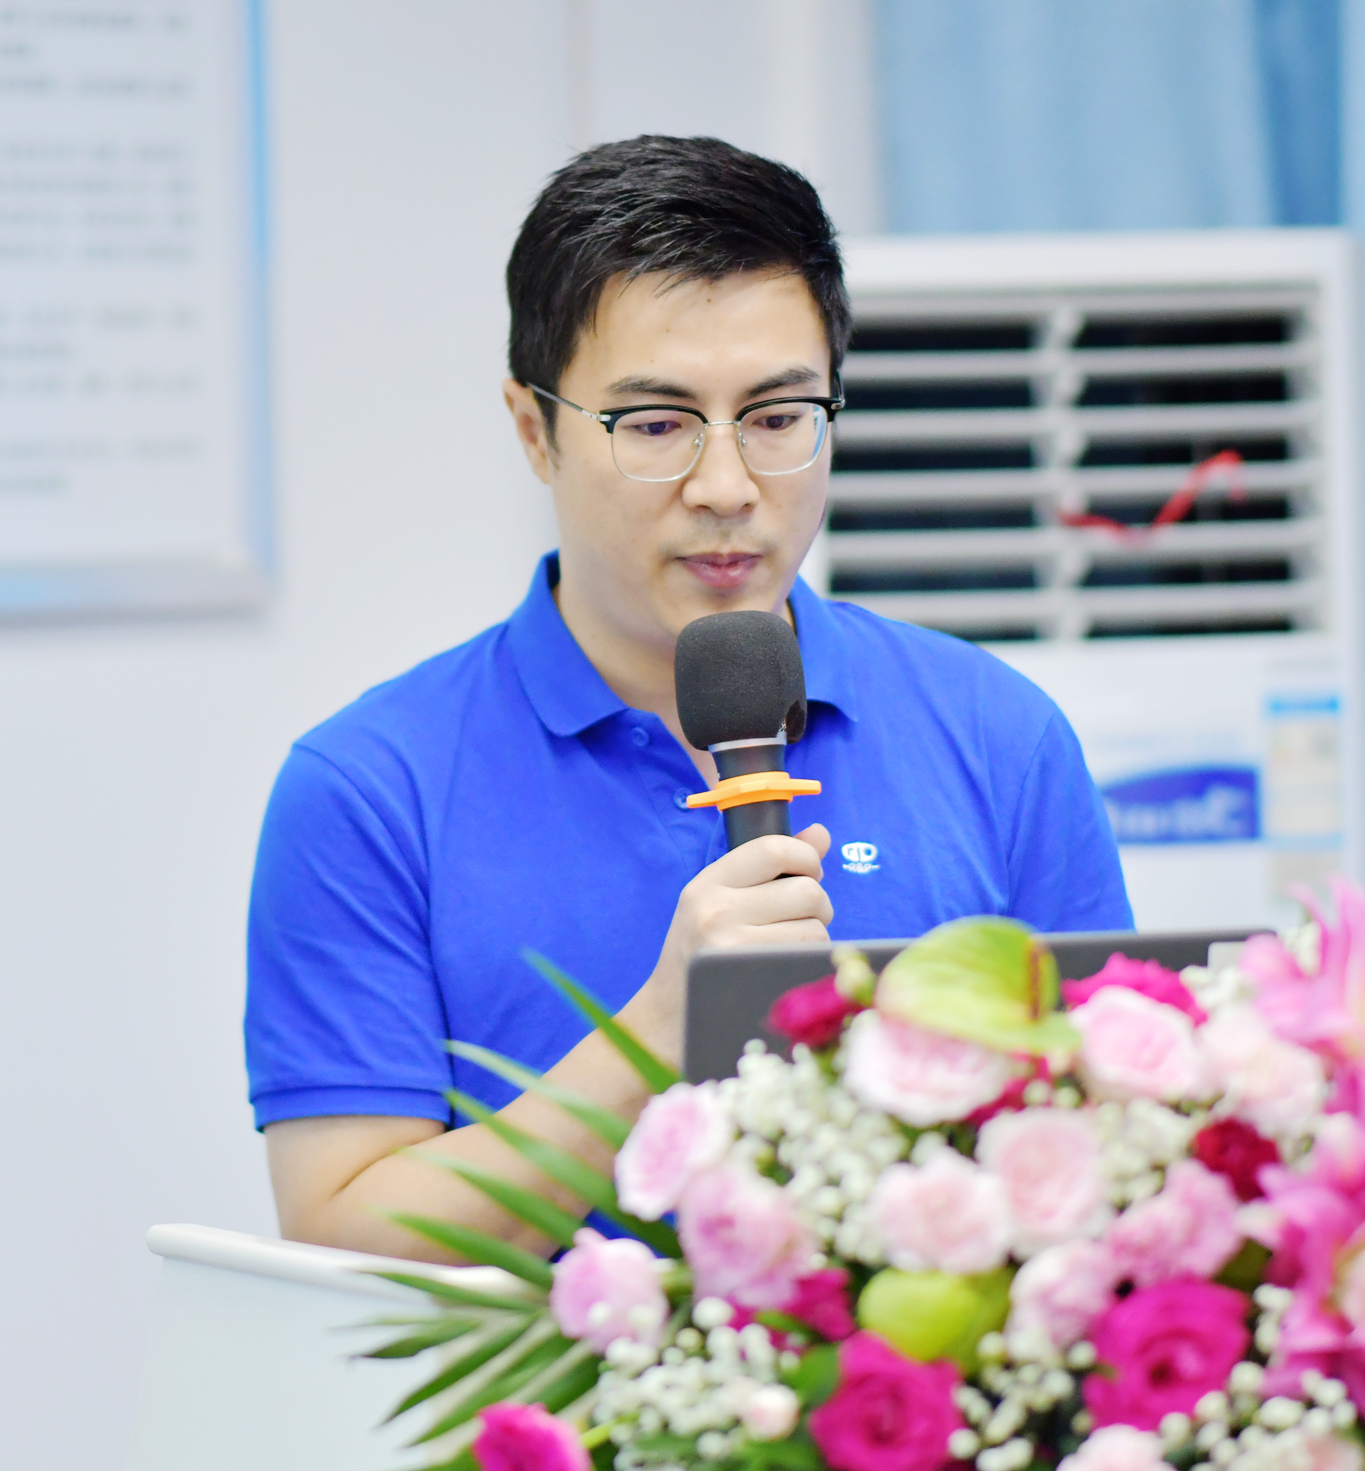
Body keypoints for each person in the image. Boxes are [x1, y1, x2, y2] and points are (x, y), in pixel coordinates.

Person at [248, 135, 1129, 1261]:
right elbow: (339, 1229)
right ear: (533, 430)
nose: (726, 486)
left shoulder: (999, 735)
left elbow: (1111, 1146)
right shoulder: (370, 788)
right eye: (657, 425)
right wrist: (659, 1031)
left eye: (778, 416)